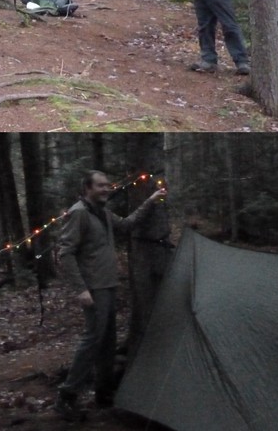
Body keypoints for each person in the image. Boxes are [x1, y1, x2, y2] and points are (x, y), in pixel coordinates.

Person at [55, 171, 167, 422]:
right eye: (101, 186)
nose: (107, 189)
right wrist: (80, 289)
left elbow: (127, 225)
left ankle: (103, 393)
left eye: (108, 185)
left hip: (108, 285)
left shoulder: (102, 213)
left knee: (108, 341)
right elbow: (65, 253)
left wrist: (150, 200)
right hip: (93, 288)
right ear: (87, 188)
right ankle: (67, 395)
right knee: (93, 340)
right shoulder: (79, 213)